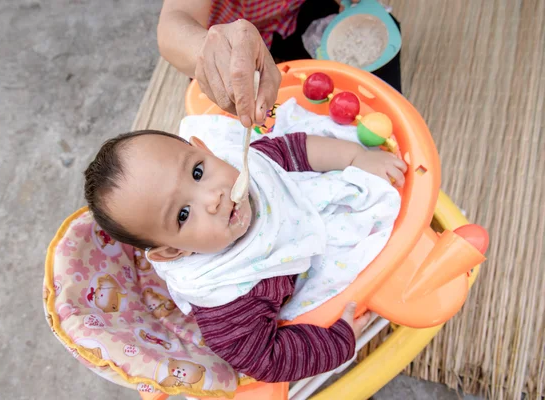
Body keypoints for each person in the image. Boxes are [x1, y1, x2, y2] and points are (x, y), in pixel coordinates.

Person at [83, 107, 406, 381]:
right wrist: (337, 342)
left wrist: (356, 157)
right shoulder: (228, 298)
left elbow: (292, 150)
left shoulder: (243, 166)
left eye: (197, 171)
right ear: (173, 251)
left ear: (204, 149)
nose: (213, 197)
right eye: (183, 214)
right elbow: (261, 359)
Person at [157, 0, 401, 128]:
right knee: (236, 122)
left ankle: (382, 129)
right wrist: (205, 50)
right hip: (226, 38)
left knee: (376, 40)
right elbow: (172, 25)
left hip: (298, 14)